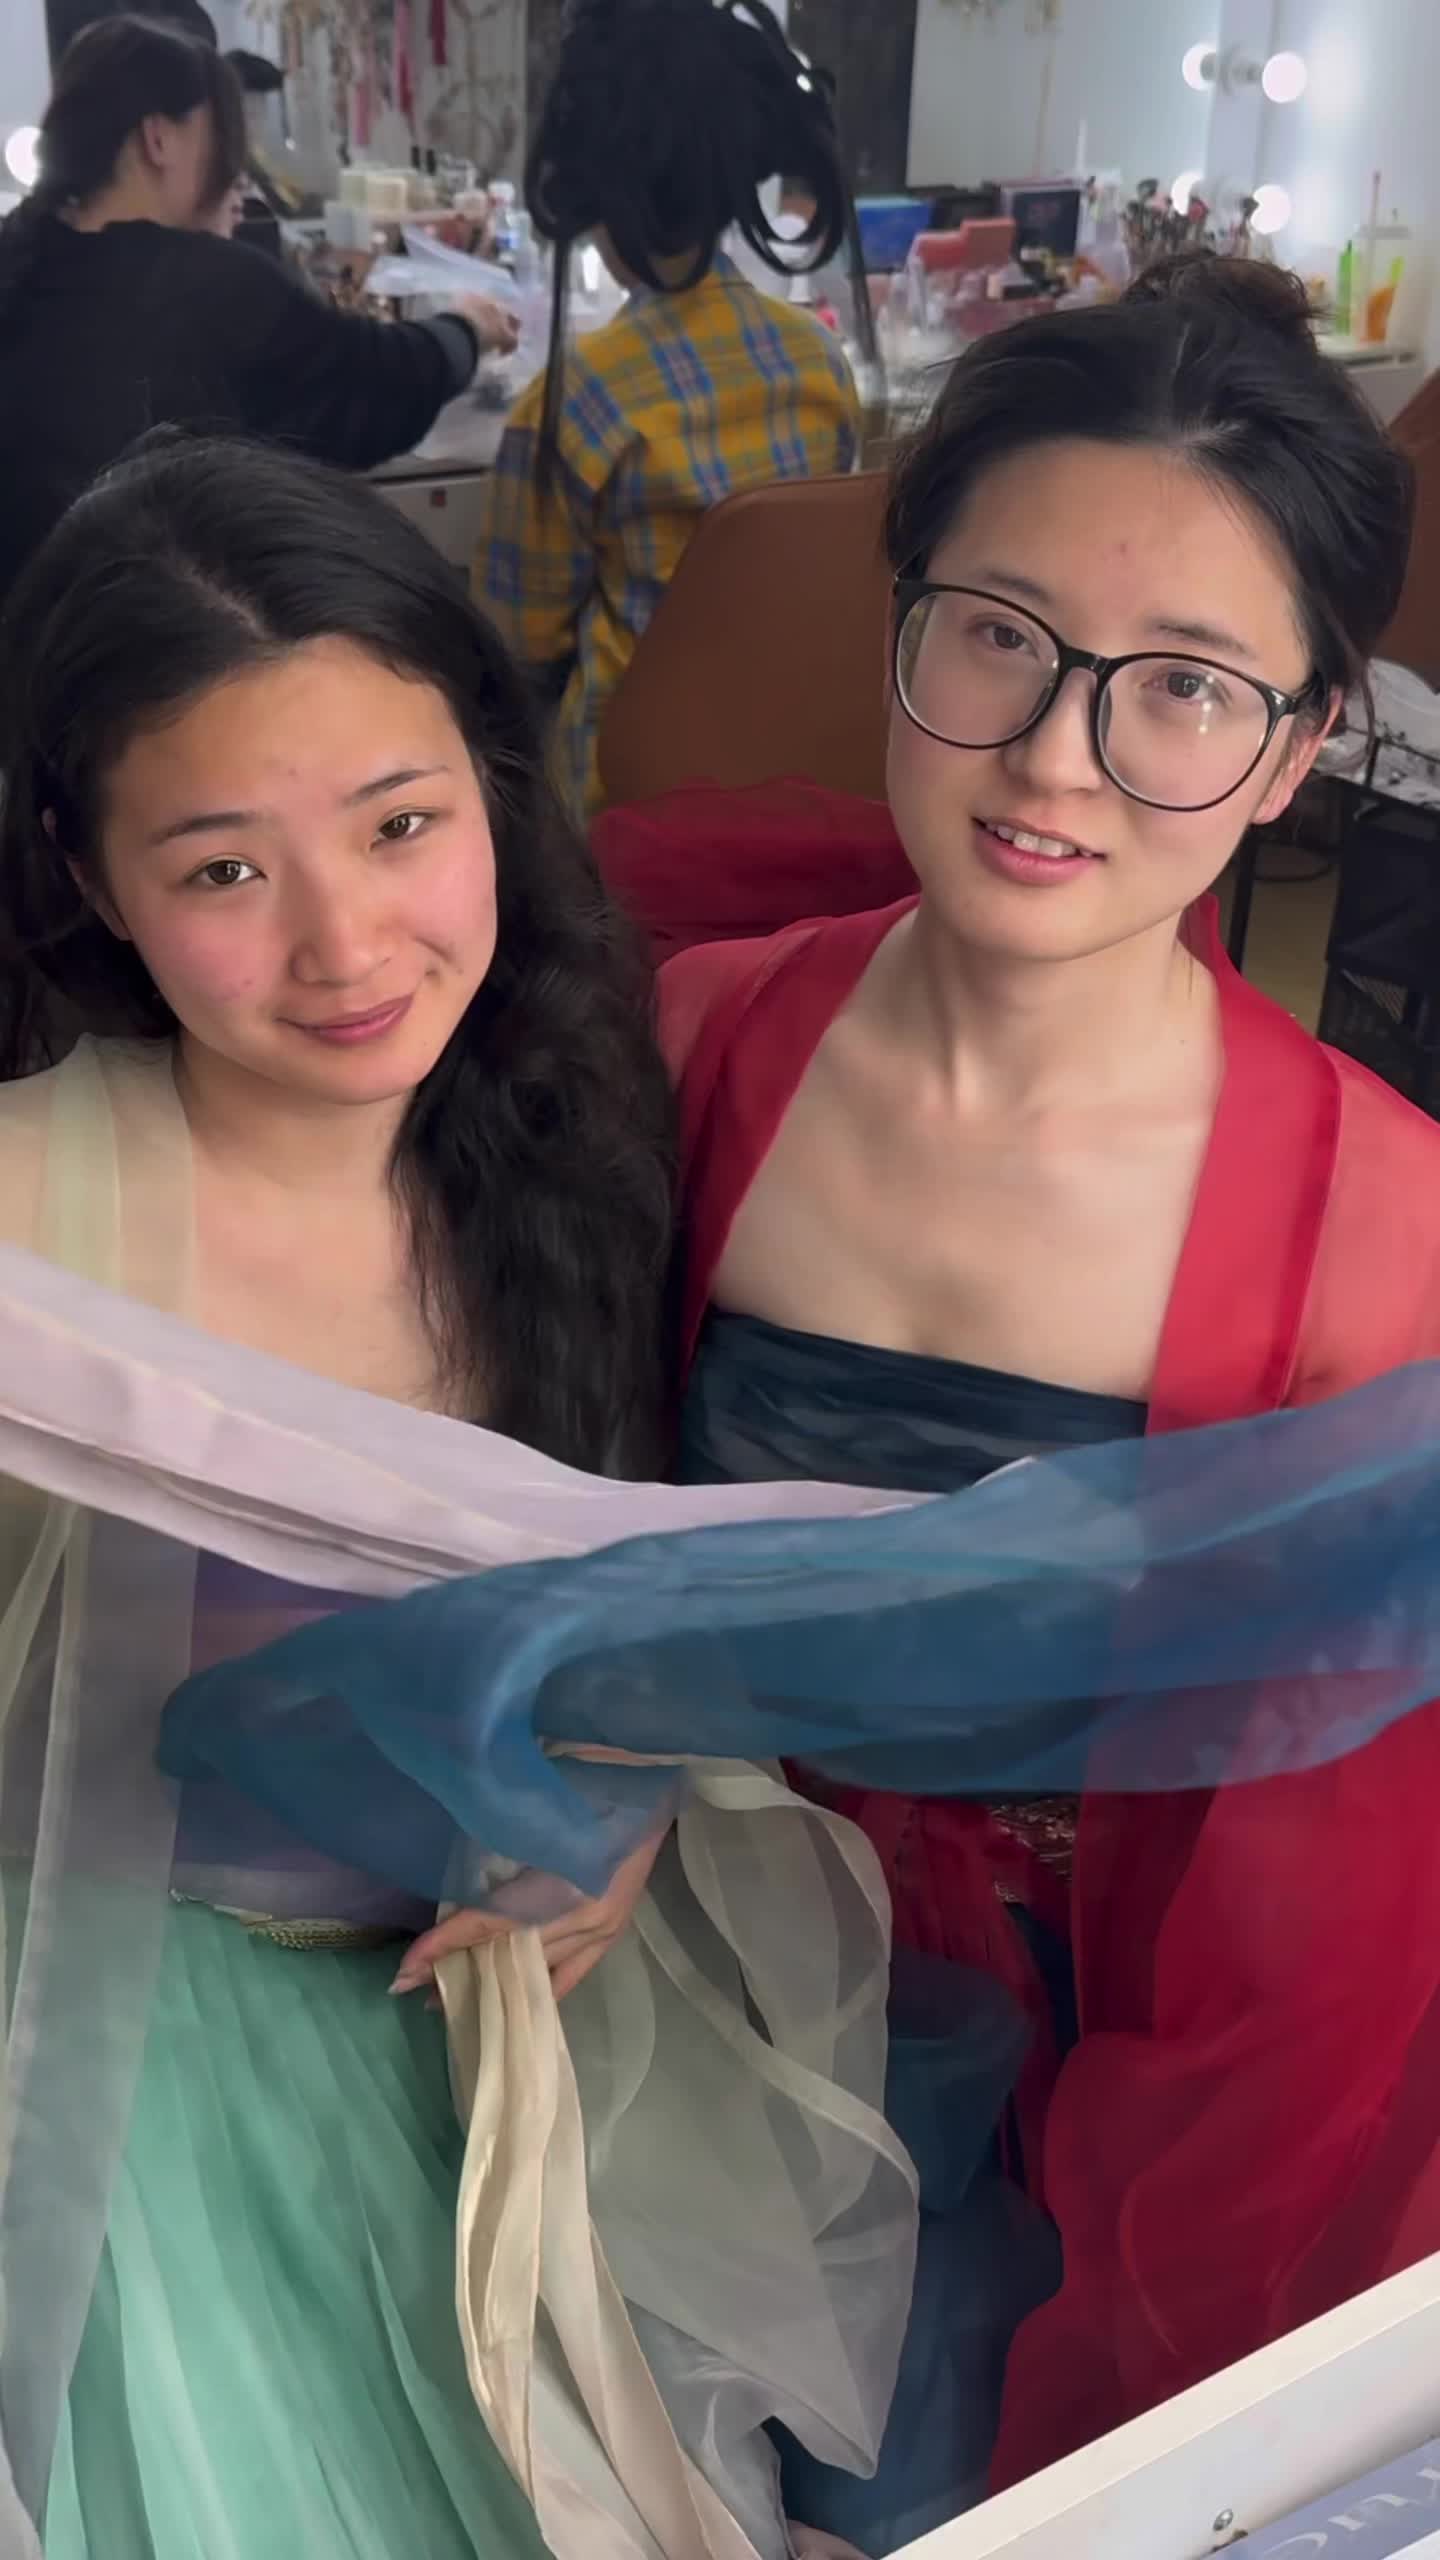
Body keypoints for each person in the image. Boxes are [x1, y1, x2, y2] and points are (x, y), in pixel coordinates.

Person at [656, 255, 1440, 2521]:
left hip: (1083, 2124)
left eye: (1181, 686)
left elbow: (1307, 1954)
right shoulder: (690, 1044)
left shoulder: (1382, 1238)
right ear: (901, 615)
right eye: (999, 634)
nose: (1055, 758)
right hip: (662, 1989)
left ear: (1296, 743)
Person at [0, 431, 675, 2555]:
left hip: (498, 2038)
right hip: (136, 2062)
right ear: (88, 877)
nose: (347, 942)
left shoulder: (558, 1140)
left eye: (402, 824)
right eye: (224, 871)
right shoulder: (28, 1217)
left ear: (494, 779)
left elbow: (632, 1605)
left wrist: (621, 1818)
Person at [471, 0, 865, 817]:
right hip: (788, 782)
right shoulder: (817, 361)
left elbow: (517, 642)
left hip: (624, 808)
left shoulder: (575, 403)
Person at [0, 15, 519, 598]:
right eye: (219, 134)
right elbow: (374, 380)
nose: (235, 171)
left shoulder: (22, 251)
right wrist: (469, 327)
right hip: (133, 631)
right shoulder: (202, 283)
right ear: (158, 139)